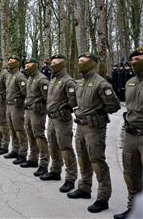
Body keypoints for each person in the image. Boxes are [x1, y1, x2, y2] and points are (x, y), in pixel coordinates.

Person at [67, 52, 120, 213]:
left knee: (97, 161)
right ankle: (84, 188)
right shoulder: (80, 82)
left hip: (94, 128)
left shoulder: (101, 84)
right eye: (79, 60)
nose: (80, 63)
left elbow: (114, 106)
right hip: (81, 127)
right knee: (82, 158)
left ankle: (103, 198)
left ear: (92, 63)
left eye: (83, 61)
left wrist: (97, 113)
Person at [40, 54, 78, 194]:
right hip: (52, 118)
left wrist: (64, 108)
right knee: (53, 145)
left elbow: (74, 101)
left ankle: (70, 178)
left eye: (55, 62)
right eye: (52, 62)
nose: (52, 64)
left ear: (62, 64)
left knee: (65, 148)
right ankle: (55, 170)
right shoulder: (53, 79)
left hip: (62, 120)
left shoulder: (68, 81)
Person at [114, 47, 143, 219]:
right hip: (131, 135)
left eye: (139, 58)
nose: (134, 62)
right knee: (130, 173)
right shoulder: (130, 82)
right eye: (133, 60)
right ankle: (134, 209)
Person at [21, 57, 49, 178]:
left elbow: (47, 97)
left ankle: (43, 164)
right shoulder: (30, 78)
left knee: (39, 136)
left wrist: (41, 106)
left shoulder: (41, 79)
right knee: (30, 134)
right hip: (28, 110)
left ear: (36, 65)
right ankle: (33, 158)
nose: (26, 67)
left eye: (29, 65)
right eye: (25, 65)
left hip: (37, 112)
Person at [2, 55, 28, 159]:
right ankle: (15, 149)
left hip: (16, 106)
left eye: (11, 61)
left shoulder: (20, 76)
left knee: (19, 129)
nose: (9, 62)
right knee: (12, 129)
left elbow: (25, 92)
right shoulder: (9, 76)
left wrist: (20, 100)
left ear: (17, 63)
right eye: (8, 61)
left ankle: (22, 152)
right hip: (8, 105)